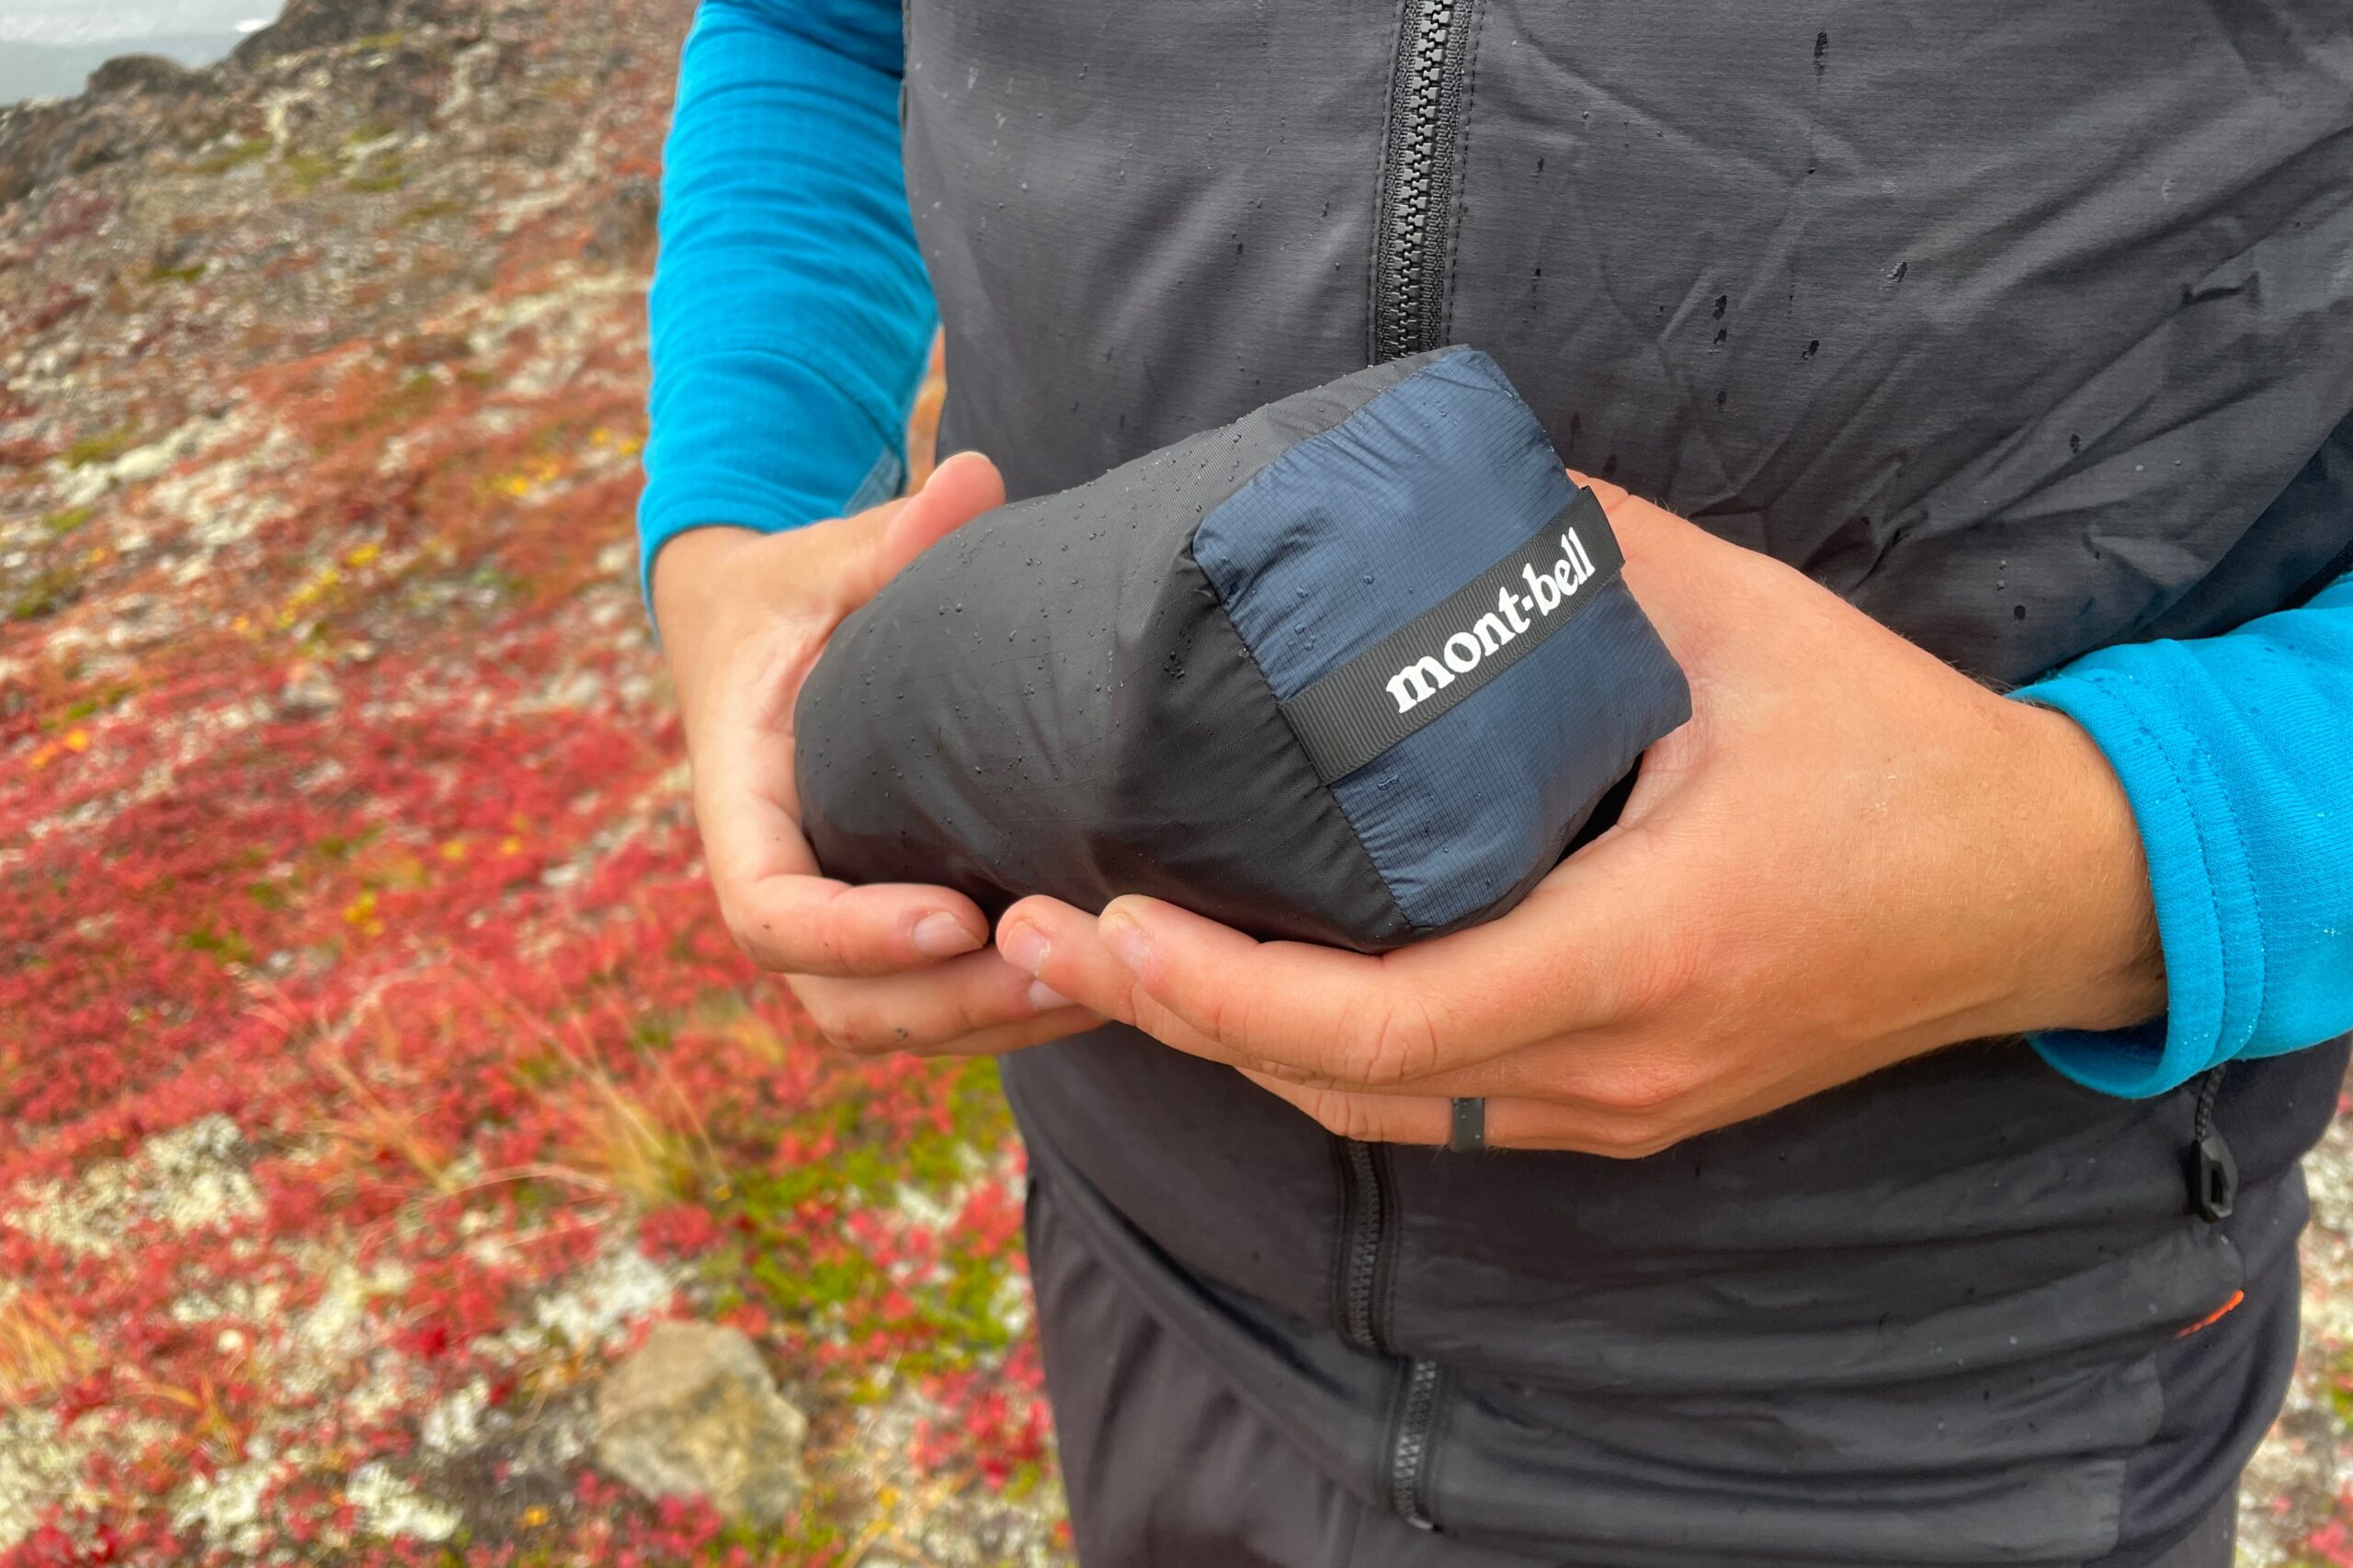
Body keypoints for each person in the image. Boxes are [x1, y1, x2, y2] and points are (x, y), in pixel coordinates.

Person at [640, 3, 2353, 1562]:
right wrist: (746, 523)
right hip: (1155, 1265)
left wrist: (2099, 856)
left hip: (1938, 1405)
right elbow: (825, 26)